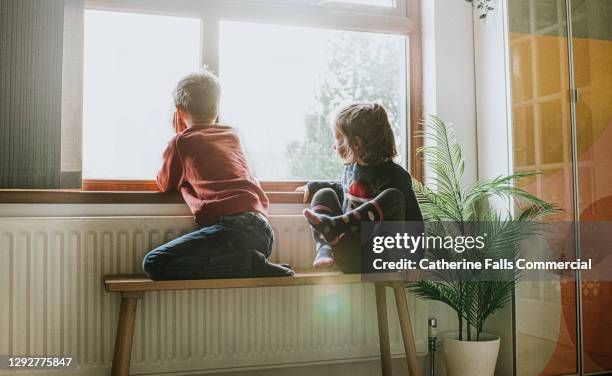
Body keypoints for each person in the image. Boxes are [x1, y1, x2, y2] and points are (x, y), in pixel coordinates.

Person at [142, 69, 293, 280]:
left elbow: (165, 183)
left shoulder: (182, 141)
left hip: (235, 229)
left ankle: (247, 264)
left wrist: (179, 138)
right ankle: (247, 261)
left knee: (154, 262)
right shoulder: (232, 134)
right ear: (217, 107)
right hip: (263, 230)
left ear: (178, 111)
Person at [301, 103, 423, 273]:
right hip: (347, 255)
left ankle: (337, 225)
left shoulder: (397, 176)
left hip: (379, 258)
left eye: (338, 138)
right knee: (323, 194)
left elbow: (415, 223)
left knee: (393, 196)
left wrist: (413, 262)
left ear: (356, 143)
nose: (334, 146)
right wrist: (314, 186)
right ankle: (325, 247)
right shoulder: (350, 170)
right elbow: (343, 188)